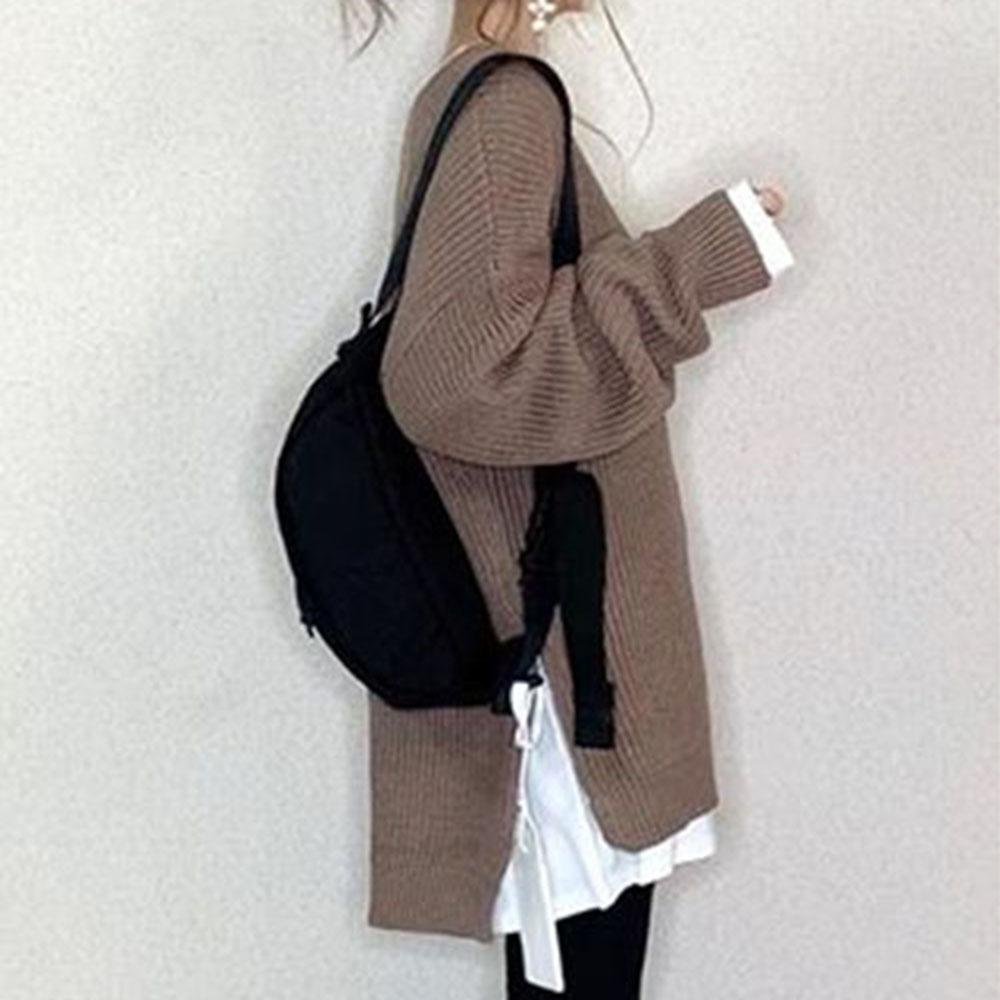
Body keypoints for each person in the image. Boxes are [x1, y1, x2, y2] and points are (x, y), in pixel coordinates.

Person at [348, 1, 795, 996]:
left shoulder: (475, 93)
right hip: (565, 681)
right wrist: (692, 262)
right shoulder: (504, 103)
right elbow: (453, 377)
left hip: (552, 666)